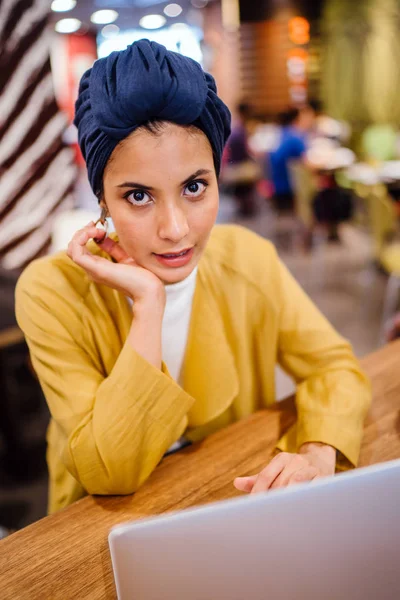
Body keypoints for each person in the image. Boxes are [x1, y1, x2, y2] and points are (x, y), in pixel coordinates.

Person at [15, 40, 371, 514]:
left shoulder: (248, 258)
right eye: (138, 196)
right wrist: (148, 306)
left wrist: (318, 449)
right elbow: (110, 471)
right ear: (102, 198)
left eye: (195, 187)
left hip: (231, 501)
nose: (176, 229)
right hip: (95, 532)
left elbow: (335, 368)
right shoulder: (51, 292)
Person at [269, 104, 316, 213]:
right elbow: (308, 164)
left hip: (276, 183)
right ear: (298, 118)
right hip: (288, 186)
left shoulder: (283, 133)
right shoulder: (295, 137)